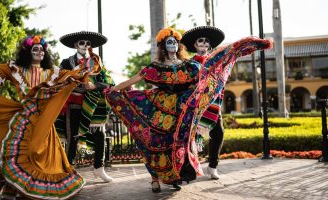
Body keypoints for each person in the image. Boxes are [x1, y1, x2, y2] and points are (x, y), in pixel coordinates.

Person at [105, 27, 272, 193]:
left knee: (175, 144)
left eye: (176, 42)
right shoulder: (156, 66)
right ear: (163, 46)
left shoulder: (189, 65)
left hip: (181, 110)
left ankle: (176, 176)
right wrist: (114, 89)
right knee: (154, 142)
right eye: (169, 42)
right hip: (159, 109)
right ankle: (154, 179)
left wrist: (236, 50)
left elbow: (207, 75)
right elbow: (136, 78)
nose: (173, 45)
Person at [0, 35, 101, 199]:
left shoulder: (53, 73)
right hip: (23, 116)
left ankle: (28, 188)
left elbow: (76, 75)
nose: (39, 52)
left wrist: (88, 66)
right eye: (35, 49)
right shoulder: (16, 69)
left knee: (36, 152)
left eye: (42, 50)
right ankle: (13, 186)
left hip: (44, 120)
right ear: (28, 52)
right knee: (17, 151)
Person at [57, 31, 114, 182]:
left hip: (93, 106)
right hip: (74, 105)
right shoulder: (66, 62)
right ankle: (68, 171)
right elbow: (59, 80)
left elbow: (109, 82)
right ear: (76, 45)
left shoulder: (97, 63)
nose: (85, 46)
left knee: (100, 135)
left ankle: (99, 168)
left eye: (88, 43)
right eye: (82, 43)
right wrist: (72, 80)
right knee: (73, 137)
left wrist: (93, 85)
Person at [181, 26, 226, 180]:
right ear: (195, 45)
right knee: (189, 137)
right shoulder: (188, 64)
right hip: (194, 105)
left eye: (207, 41)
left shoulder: (217, 62)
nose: (204, 43)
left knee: (218, 132)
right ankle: (190, 167)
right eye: (200, 40)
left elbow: (221, 80)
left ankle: (213, 166)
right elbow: (185, 83)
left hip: (212, 104)